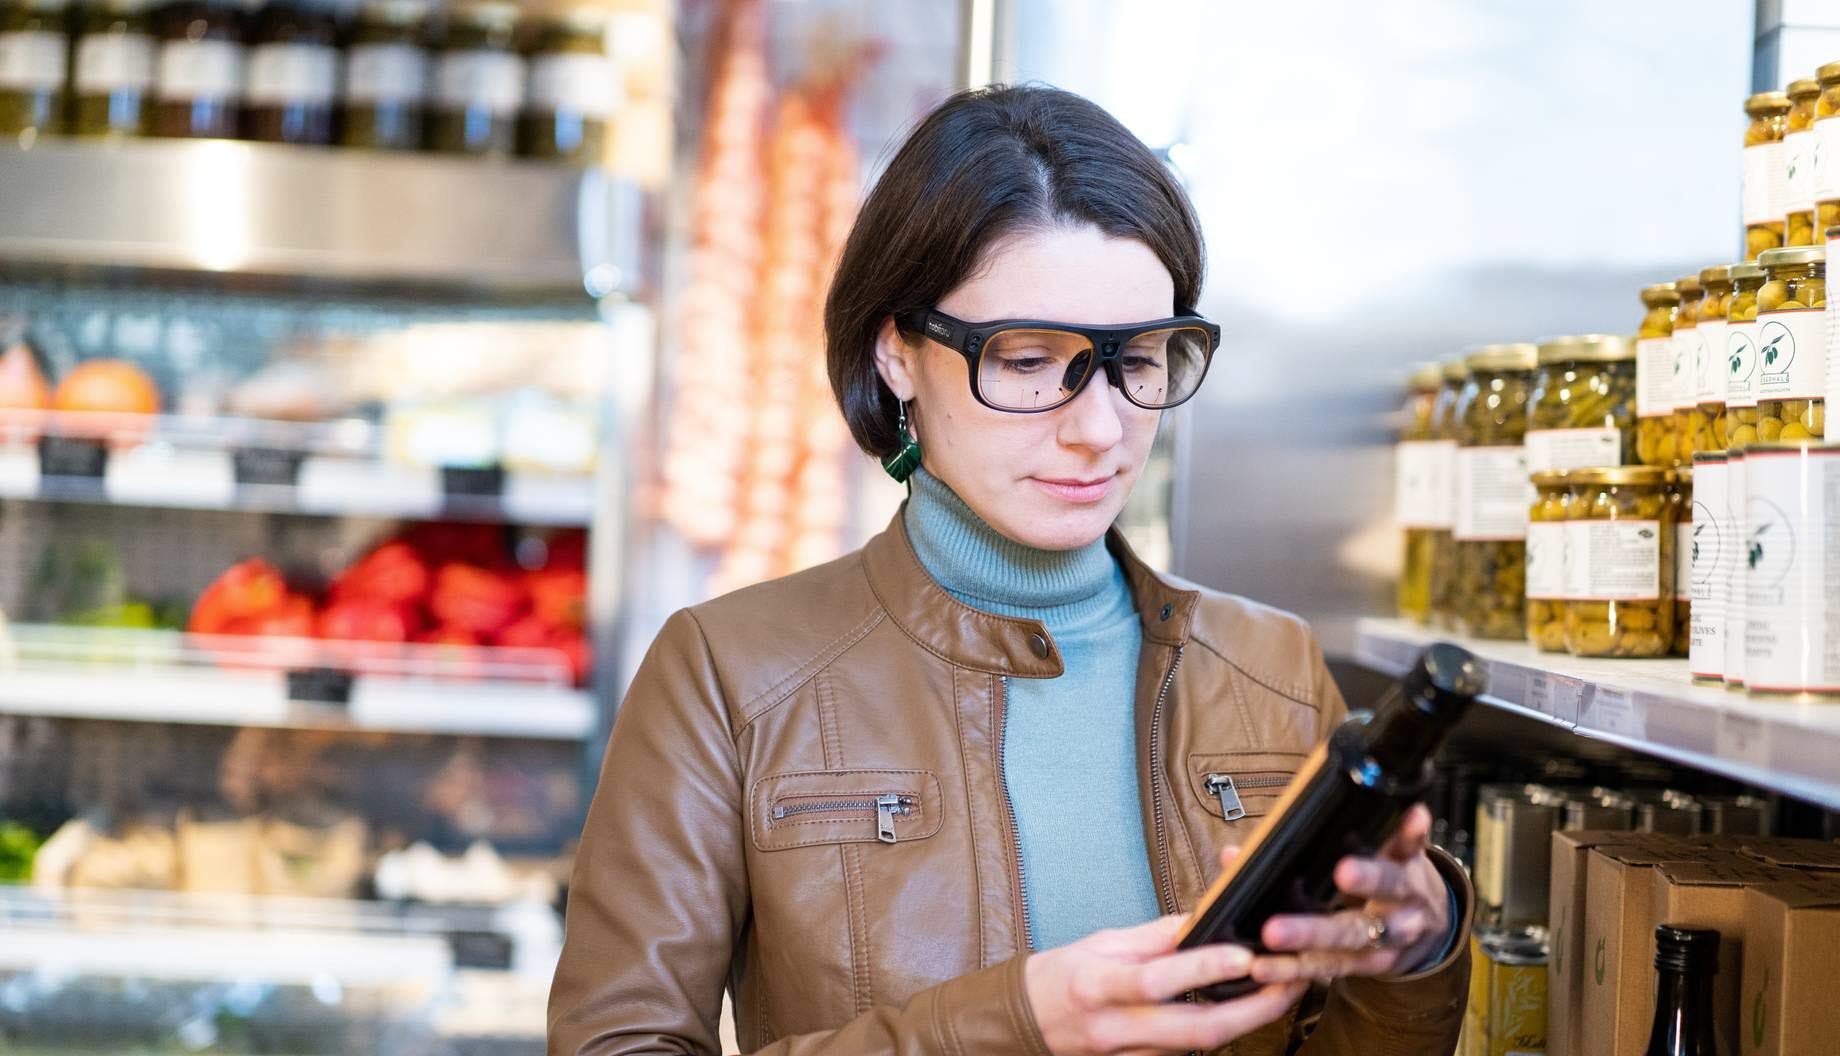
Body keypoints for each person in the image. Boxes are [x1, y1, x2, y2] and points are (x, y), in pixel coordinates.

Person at [549, 84, 1472, 1056]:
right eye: (1030, 359)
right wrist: (1010, 1025)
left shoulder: (1272, 668)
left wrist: (1412, 954)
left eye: (1142, 360)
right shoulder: (727, 674)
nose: (1101, 430)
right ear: (897, 351)